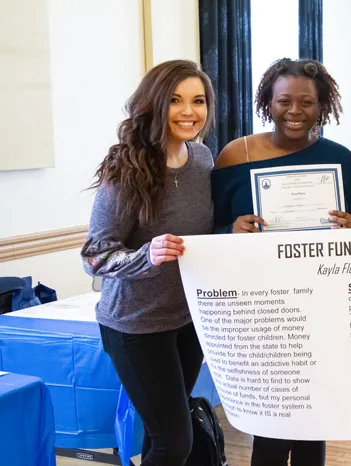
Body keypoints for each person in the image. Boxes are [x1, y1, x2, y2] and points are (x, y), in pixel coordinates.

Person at [211, 58, 351, 466]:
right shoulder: (234, 156)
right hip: (262, 309)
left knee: (315, 416)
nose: (295, 111)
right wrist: (230, 231)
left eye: (307, 102)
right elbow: (208, 229)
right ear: (267, 103)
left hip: (322, 304)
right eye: (284, 101)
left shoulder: (341, 159)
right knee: (271, 420)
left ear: (322, 105)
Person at [81, 60, 216, 465]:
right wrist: (147, 255)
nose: (189, 112)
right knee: (174, 443)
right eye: (175, 101)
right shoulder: (126, 170)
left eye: (198, 101)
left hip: (187, 321)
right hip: (136, 325)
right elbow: (95, 255)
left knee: (164, 437)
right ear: (155, 104)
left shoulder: (204, 159)